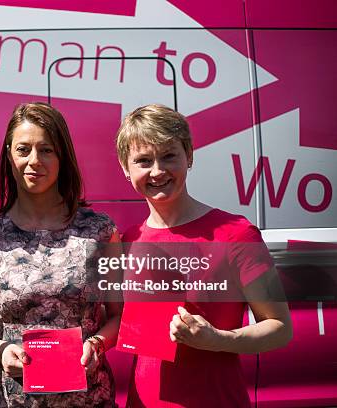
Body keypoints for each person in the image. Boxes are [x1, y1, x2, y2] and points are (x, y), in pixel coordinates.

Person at [115, 104, 293, 407]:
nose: (157, 170)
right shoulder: (127, 240)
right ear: (125, 168)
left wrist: (218, 339)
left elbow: (280, 328)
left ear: (190, 156)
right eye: (143, 160)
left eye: (169, 155)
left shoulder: (237, 233)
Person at [0, 102, 122, 407]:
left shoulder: (102, 232)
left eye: (47, 150)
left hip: (87, 398)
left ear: (62, 156)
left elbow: (119, 316)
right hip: (8, 399)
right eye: (23, 149)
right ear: (9, 155)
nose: (34, 160)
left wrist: (97, 344)